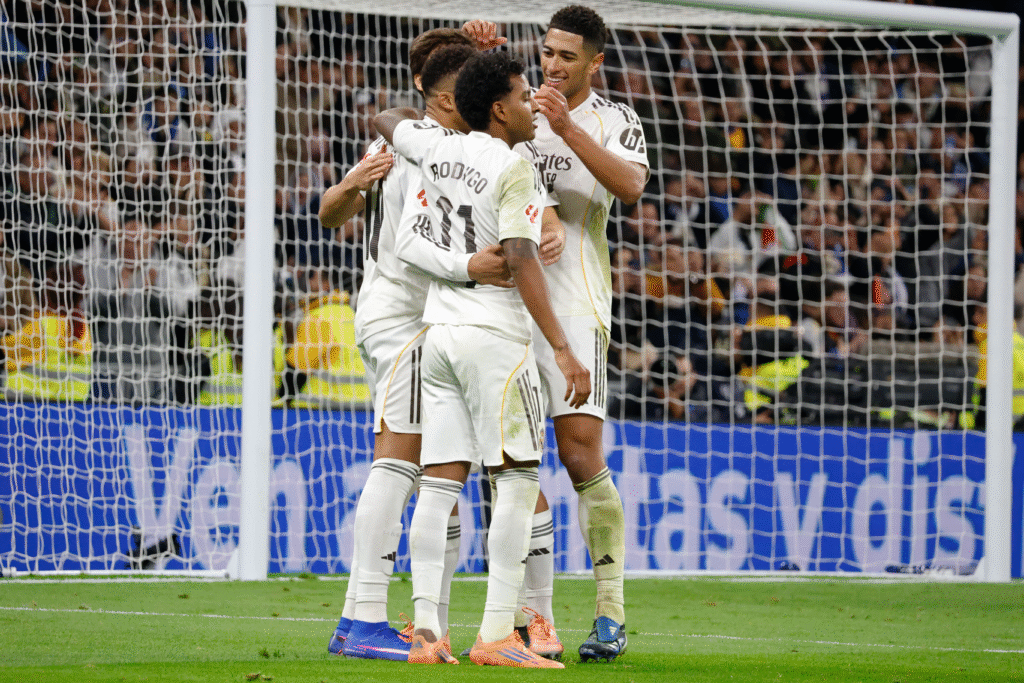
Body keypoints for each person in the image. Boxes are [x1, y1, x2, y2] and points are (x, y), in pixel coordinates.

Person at [375, 49, 589, 668]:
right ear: (500, 109)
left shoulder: (434, 149)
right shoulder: (515, 165)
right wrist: (562, 348)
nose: (531, 106)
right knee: (518, 482)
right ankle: (496, 635)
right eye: (524, 97)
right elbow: (521, 260)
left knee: (440, 481)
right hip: (494, 340)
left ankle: (424, 633)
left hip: (438, 336)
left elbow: (391, 126)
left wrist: (461, 267)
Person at [317, 28, 512, 660]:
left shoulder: (402, 140)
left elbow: (331, 209)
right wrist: (473, 267)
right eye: (468, 92)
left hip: (394, 316)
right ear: (445, 97)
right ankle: (370, 615)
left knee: (422, 459)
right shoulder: (428, 152)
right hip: (403, 317)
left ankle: (355, 618)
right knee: (399, 458)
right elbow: (407, 243)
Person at [486, 5, 649, 661]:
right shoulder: (516, 112)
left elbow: (631, 185)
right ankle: (535, 617)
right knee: (509, 465)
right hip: (503, 307)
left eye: (566, 57)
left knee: (580, 455)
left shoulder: (616, 121)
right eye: (547, 52)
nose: (552, 65)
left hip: (577, 306)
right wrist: (479, 57)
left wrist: (567, 128)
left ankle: (610, 612)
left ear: (594, 63)